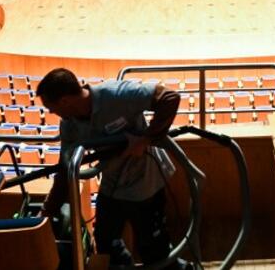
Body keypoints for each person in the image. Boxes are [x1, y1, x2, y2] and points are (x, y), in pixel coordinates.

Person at [38, 68, 184, 269]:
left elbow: (169, 97)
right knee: (105, 241)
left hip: (145, 183)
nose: (51, 112)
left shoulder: (116, 94)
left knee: (153, 248)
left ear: (65, 101)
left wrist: (146, 139)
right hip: (112, 182)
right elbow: (65, 170)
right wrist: (46, 213)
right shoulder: (69, 125)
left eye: (51, 107)